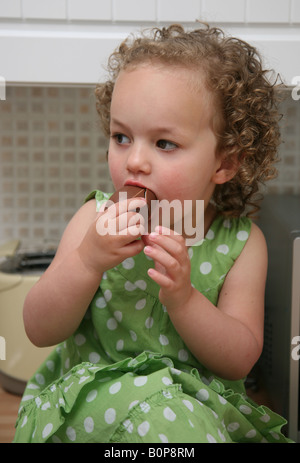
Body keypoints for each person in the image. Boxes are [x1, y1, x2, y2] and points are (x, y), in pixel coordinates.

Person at [13, 23, 291, 443]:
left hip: (194, 411)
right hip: (91, 405)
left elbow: (238, 360)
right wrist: (87, 261)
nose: (135, 161)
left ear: (225, 163)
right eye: (121, 137)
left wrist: (185, 299)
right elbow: (39, 328)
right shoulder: (94, 218)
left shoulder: (241, 244)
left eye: (164, 143)